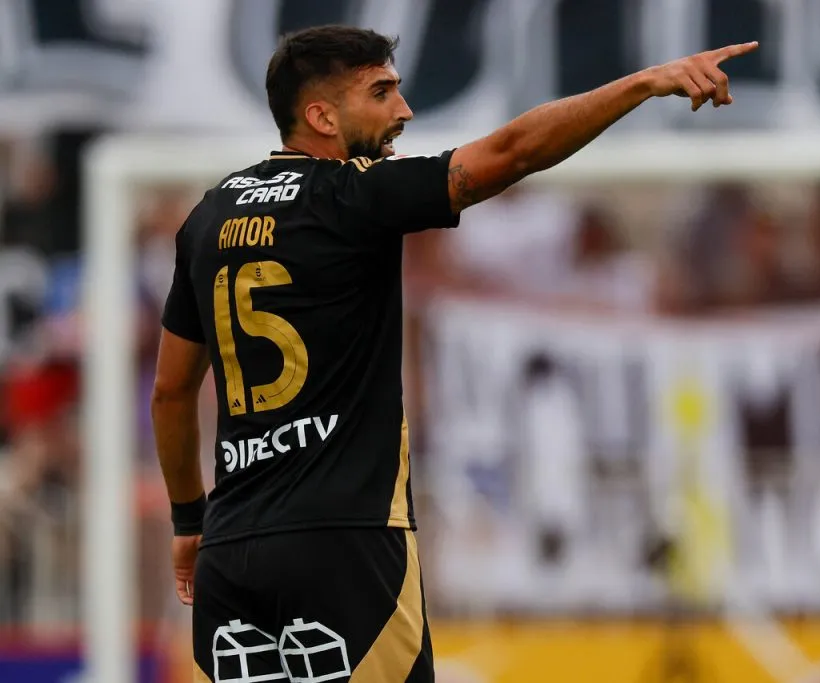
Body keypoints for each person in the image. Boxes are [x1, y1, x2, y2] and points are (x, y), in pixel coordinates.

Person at [151, 24, 758, 682]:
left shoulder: (207, 219)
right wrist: (644, 82)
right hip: (343, 542)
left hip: (233, 550)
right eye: (380, 93)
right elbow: (517, 150)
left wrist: (190, 519)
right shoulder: (355, 197)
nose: (403, 112)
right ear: (321, 115)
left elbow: (171, 391)